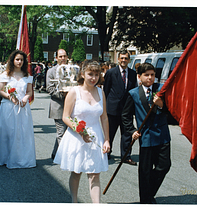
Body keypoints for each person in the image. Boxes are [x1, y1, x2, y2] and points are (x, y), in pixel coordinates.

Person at [54, 60, 110, 203]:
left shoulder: (100, 92)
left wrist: (107, 139)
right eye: (90, 74)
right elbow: (65, 116)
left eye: (97, 74)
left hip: (95, 136)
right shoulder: (74, 92)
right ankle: (74, 201)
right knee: (76, 172)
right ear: (83, 74)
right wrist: (80, 131)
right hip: (77, 136)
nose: (93, 78)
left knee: (94, 173)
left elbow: (104, 118)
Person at [122, 63, 171, 204]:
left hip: (162, 135)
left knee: (164, 166)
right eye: (146, 75)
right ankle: (146, 200)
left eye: (152, 75)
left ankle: (148, 193)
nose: (150, 78)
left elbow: (172, 111)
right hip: (146, 136)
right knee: (145, 171)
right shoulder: (133, 93)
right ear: (139, 77)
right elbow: (125, 116)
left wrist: (161, 105)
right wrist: (132, 131)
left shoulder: (161, 90)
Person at [0, 50, 36, 169]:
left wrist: (25, 98)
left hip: (22, 108)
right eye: (17, 59)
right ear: (13, 60)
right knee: (8, 131)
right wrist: (10, 97)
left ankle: (20, 157)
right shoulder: (5, 75)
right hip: (8, 106)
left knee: (22, 133)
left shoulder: (27, 76)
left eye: (22, 60)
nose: (19, 62)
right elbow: (0, 90)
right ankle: (5, 156)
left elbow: (29, 91)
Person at [103, 49, 137, 164]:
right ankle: (107, 153)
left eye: (126, 58)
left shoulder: (133, 74)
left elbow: (133, 91)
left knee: (127, 134)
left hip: (127, 109)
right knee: (110, 133)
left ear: (129, 60)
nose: (124, 60)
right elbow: (106, 91)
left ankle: (126, 156)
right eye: (122, 58)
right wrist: (105, 107)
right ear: (118, 59)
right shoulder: (111, 73)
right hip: (113, 109)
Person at [46, 49, 69, 159]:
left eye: (64, 56)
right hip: (58, 106)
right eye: (60, 56)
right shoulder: (51, 71)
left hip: (70, 107)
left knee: (65, 132)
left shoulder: (72, 70)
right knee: (61, 132)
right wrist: (64, 95)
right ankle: (64, 157)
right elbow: (50, 89)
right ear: (56, 58)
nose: (63, 58)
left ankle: (55, 153)